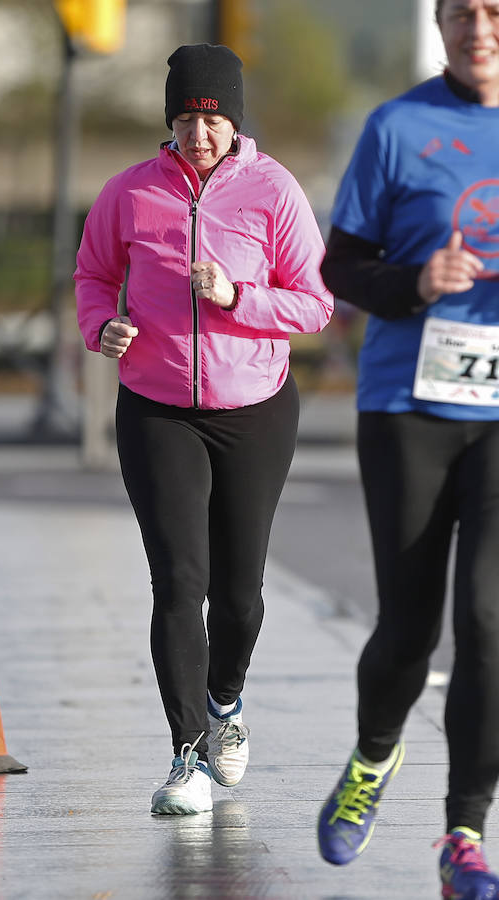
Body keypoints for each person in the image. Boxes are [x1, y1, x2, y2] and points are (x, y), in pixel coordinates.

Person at [74, 43, 333, 815]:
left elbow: (316, 304)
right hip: (157, 408)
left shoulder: (274, 191)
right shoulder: (128, 194)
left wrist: (235, 296)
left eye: (212, 121)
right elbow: (92, 275)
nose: (199, 136)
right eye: (186, 119)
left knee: (241, 597)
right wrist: (103, 327)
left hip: (255, 407)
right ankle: (186, 755)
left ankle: (225, 705)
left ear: (234, 122)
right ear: (170, 120)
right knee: (179, 585)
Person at [316, 1, 499, 895]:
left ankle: (464, 832)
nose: (479, 26)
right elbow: (340, 265)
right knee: (408, 627)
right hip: (408, 404)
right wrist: (415, 280)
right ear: (441, 22)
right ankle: (373, 757)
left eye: (494, 10)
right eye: (461, 10)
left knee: (490, 621)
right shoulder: (398, 127)